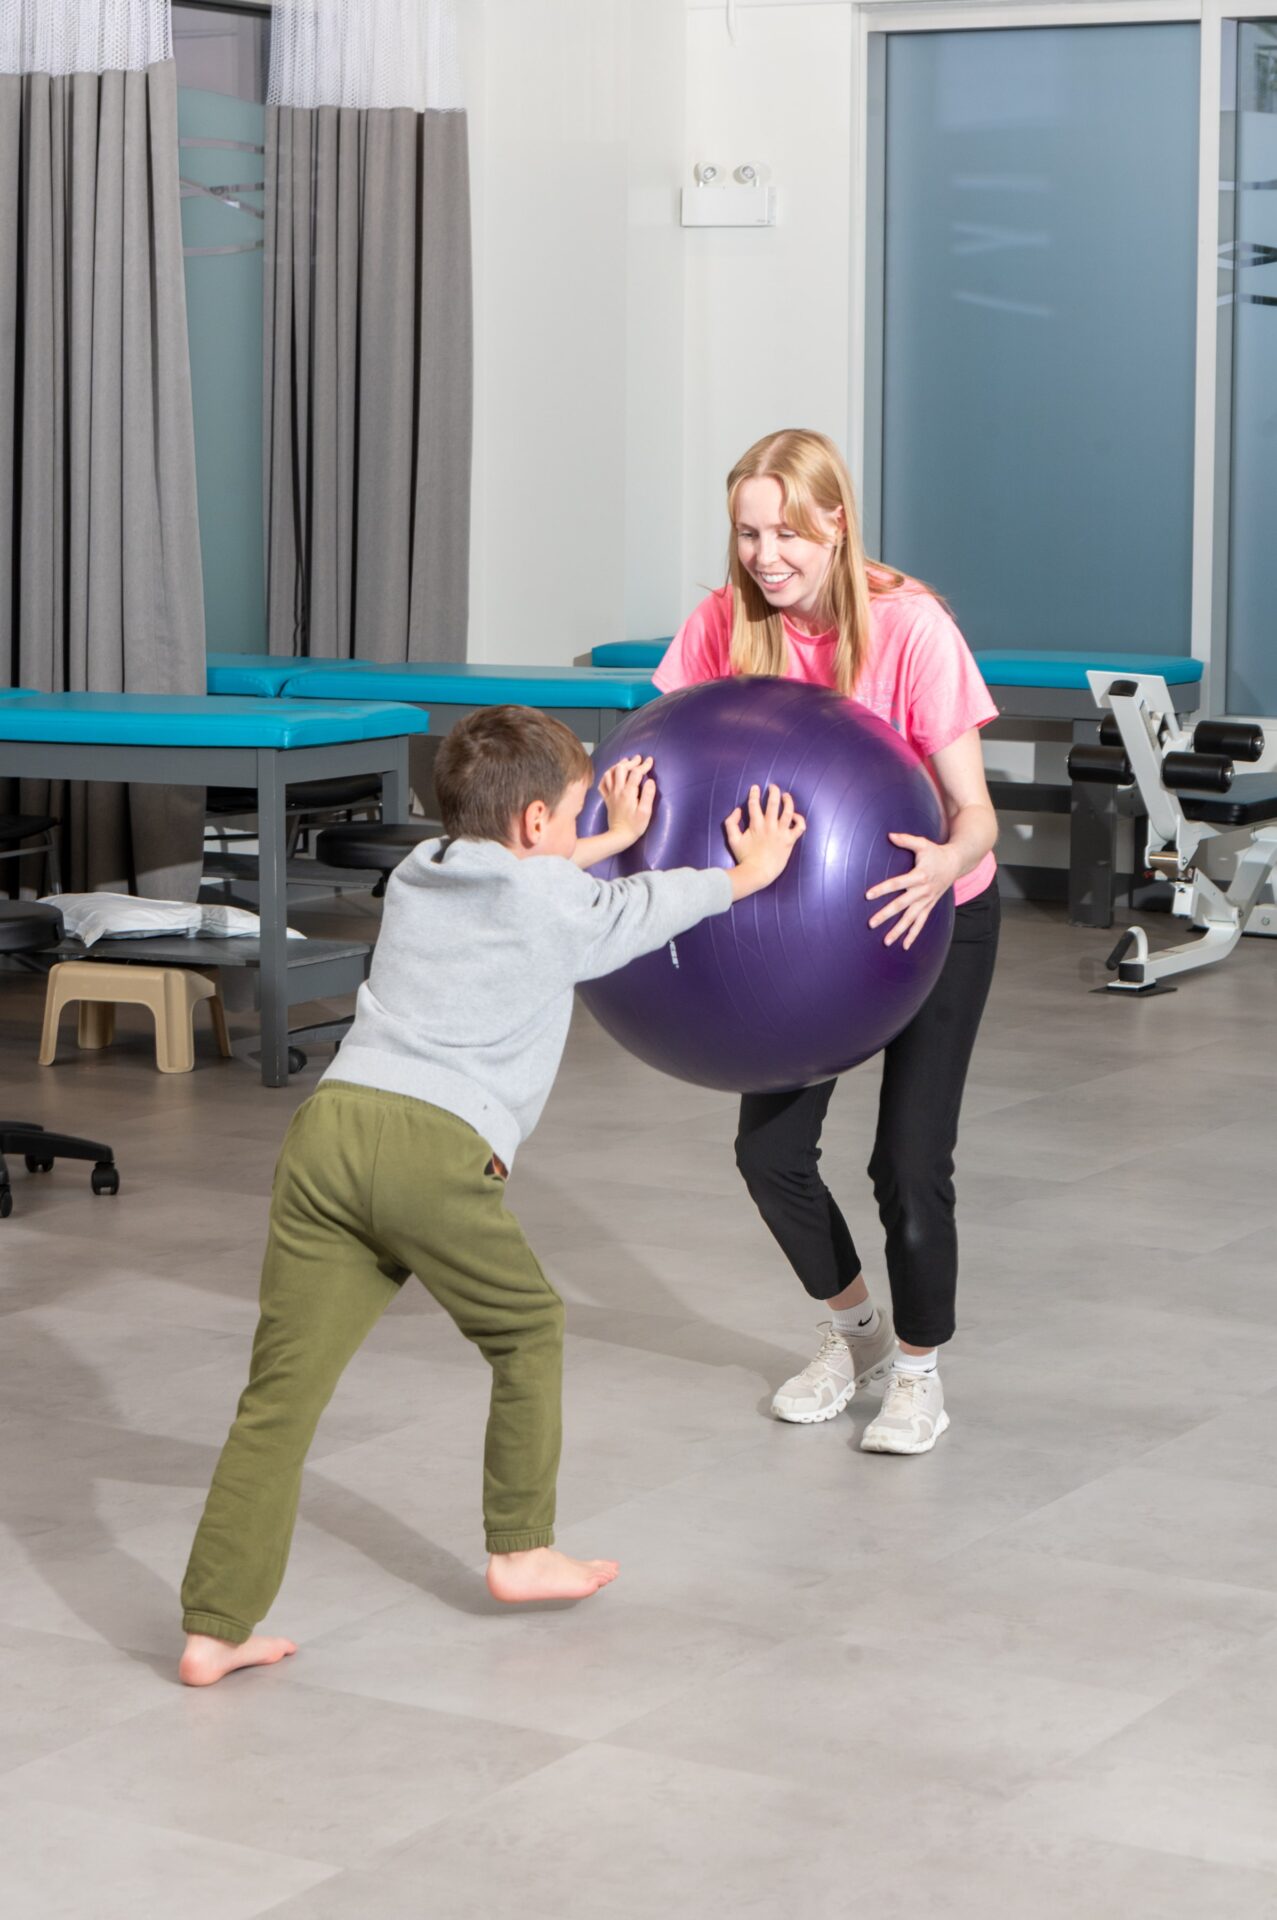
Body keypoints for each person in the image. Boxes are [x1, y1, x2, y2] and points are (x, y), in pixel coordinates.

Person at [178, 704, 804, 1686]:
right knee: (527, 1331)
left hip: (329, 1135)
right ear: (533, 829)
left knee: (280, 1396)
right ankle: (519, 1549)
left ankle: (213, 1625)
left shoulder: (417, 875)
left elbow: (525, 881)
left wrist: (603, 835)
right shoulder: (555, 902)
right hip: (433, 1147)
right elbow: (620, 914)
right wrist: (746, 875)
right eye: (567, 815)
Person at [654, 428, 1000, 1455]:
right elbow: (667, 757)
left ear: (836, 522)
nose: (766, 557)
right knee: (768, 1155)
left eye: (789, 534)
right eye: (748, 533)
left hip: (927, 910)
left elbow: (973, 814)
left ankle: (921, 1375)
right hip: (797, 935)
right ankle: (857, 1339)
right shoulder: (723, 623)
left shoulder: (909, 626)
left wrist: (941, 867)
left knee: (907, 1162)